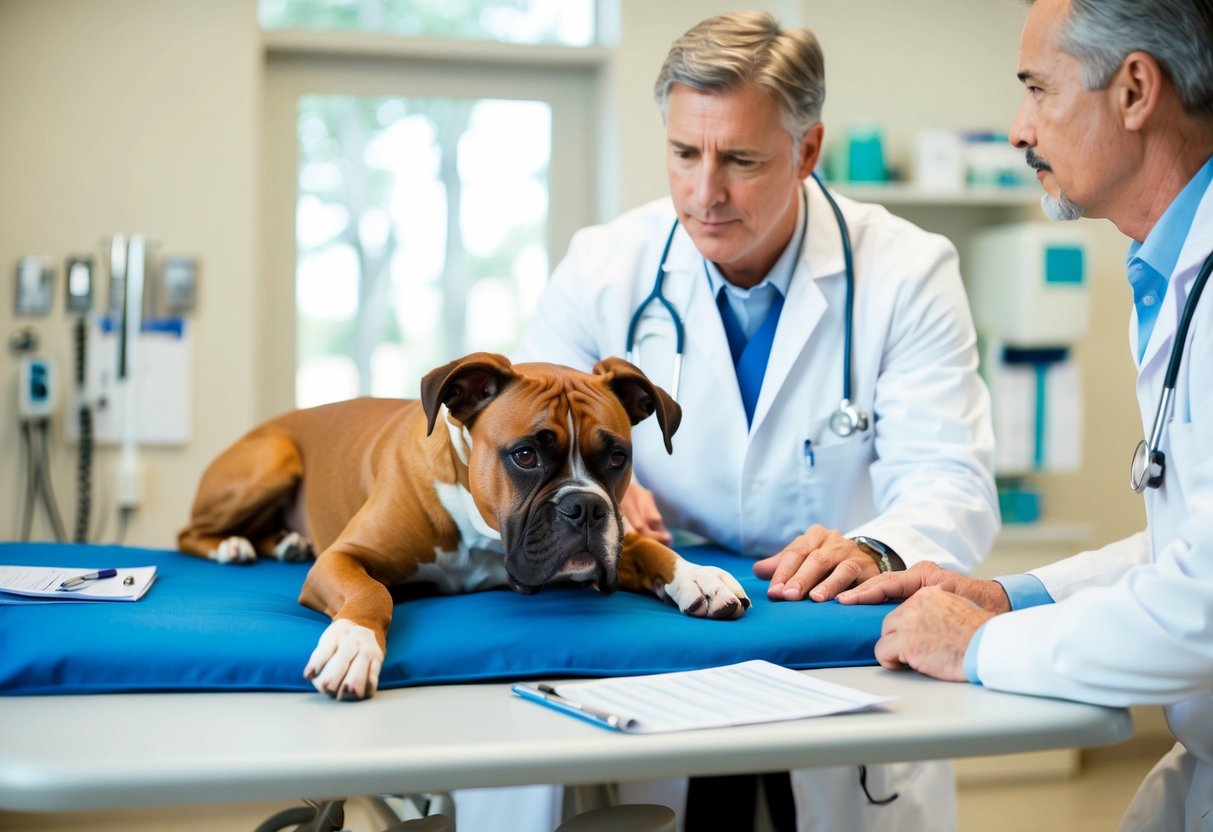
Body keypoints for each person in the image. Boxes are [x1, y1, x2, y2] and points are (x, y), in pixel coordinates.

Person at [452, 10, 1000, 832]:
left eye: (740, 160)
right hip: (654, 650)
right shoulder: (605, 267)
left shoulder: (906, 273)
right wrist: (594, 493)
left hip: (831, 649)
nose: (703, 192)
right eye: (683, 153)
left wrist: (875, 546)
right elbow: (518, 444)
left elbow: (949, 480)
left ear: (807, 150)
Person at [836, 0, 1213, 828]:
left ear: (1135, 90)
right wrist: (1010, 598)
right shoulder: (1169, 279)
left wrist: (976, 646)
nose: (1018, 128)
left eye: (1038, 89)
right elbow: (1190, 545)